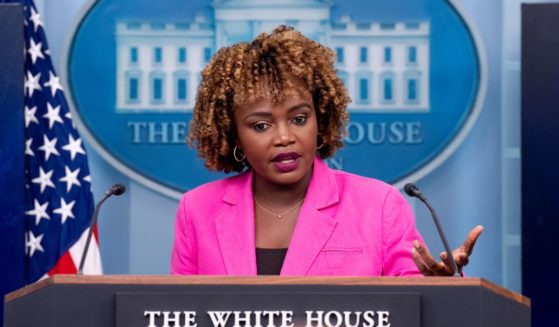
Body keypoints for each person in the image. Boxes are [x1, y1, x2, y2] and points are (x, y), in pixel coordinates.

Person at [170, 25, 483, 276]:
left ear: (320, 118)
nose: (284, 137)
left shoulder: (379, 205)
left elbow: (411, 290)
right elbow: (176, 312)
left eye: (299, 118)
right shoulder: (197, 210)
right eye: (261, 125)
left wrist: (436, 288)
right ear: (233, 134)